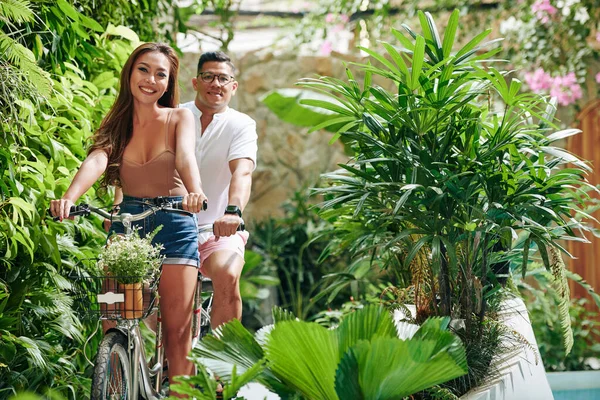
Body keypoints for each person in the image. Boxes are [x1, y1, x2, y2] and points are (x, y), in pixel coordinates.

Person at [49, 42, 206, 392]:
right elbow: (98, 160)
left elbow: (185, 158)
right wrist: (69, 198)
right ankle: (118, 378)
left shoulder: (179, 116)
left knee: (177, 333)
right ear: (130, 73)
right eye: (143, 70)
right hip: (129, 220)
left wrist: (195, 192)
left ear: (169, 82)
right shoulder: (117, 121)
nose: (150, 79)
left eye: (160, 74)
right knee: (113, 316)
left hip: (175, 218)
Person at [180, 51, 257, 329]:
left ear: (233, 87)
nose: (216, 84)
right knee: (144, 287)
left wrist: (233, 211)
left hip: (217, 229)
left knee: (227, 274)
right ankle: (167, 354)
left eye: (223, 78)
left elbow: (242, 171)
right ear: (195, 82)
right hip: (170, 222)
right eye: (208, 76)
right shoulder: (175, 116)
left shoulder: (241, 125)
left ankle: (220, 366)